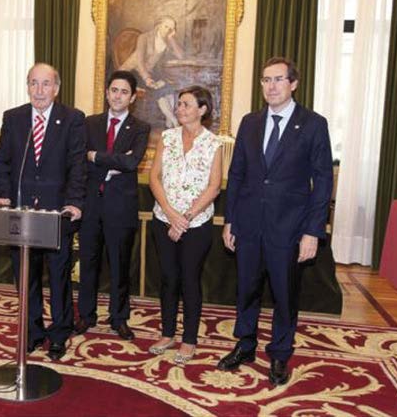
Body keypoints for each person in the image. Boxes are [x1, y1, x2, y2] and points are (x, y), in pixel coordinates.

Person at [219, 57, 333, 386]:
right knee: (247, 288)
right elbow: (237, 174)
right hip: (249, 224)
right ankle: (245, 345)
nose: (271, 86)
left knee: (284, 294)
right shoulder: (250, 122)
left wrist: (313, 231)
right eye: (266, 80)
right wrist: (230, 220)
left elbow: (322, 181)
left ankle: (280, 353)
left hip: (289, 227)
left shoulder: (313, 124)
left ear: (293, 84)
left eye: (278, 79)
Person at [0, 63, 86, 361]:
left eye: (46, 84)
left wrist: (74, 201)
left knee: (58, 277)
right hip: (21, 214)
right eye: (34, 83)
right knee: (26, 276)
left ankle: (59, 333)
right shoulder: (14, 117)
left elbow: (77, 165)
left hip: (57, 213)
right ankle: (32, 332)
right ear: (28, 87)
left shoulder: (72, 119)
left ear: (56, 88)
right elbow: (2, 162)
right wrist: (3, 195)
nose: (39, 90)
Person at [148, 85, 222, 364]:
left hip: (197, 224)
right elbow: (154, 177)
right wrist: (170, 213)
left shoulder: (213, 143)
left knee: (190, 280)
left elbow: (214, 187)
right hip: (163, 220)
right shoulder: (167, 138)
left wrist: (186, 218)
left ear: (202, 110)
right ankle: (167, 333)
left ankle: (189, 339)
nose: (179, 109)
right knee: (168, 278)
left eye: (186, 104)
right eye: (179, 104)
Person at [74, 70, 150, 341]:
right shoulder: (89, 123)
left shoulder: (140, 128)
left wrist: (97, 157)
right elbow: (80, 159)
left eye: (124, 92)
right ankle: (86, 315)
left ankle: (119, 317)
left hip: (121, 208)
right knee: (88, 263)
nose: (118, 96)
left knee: (120, 265)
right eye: (114, 90)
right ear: (107, 93)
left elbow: (132, 162)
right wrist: (116, 160)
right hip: (91, 205)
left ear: (132, 98)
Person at [120, 16, 185, 128]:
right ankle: (174, 121)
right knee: (159, 90)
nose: (167, 30)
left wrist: (171, 38)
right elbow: (140, 61)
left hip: (150, 72)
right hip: (133, 72)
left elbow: (181, 56)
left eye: (171, 28)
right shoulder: (144, 37)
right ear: (159, 25)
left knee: (169, 88)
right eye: (166, 26)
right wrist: (146, 78)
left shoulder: (167, 40)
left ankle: (169, 122)